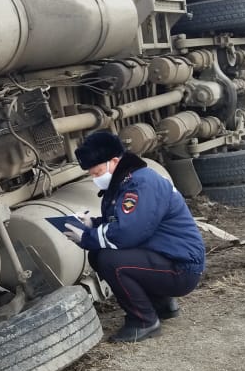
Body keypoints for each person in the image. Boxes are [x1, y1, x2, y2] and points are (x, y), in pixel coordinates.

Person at [64, 130, 206, 343]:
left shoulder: (141, 183)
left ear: (114, 161)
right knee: (100, 254)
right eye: (91, 174)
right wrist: (92, 223)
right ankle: (162, 304)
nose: (95, 178)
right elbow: (123, 222)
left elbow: (127, 233)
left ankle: (143, 321)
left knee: (108, 260)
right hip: (173, 259)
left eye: (97, 172)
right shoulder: (127, 181)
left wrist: (86, 238)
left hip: (182, 269)